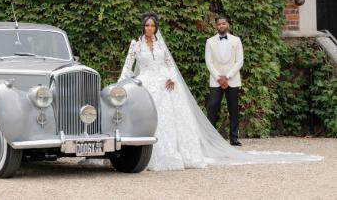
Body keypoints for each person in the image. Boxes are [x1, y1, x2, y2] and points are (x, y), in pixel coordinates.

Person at [118, 11, 323, 171]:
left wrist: (171, 77)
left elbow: (169, 64)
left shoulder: (161, 44)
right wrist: (121, 86)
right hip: (146, 82)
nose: (150, 28)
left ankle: (179, 154)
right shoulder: (136, 45)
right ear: (143, 27)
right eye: (147, 25)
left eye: (153, 25)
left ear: (156, 27)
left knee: (173, 119)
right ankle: (143, 156)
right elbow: (128, 67)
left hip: (166, 83)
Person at [205, 16, 243, 146]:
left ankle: (234, 138)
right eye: (219, 24)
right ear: (216, 26)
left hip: (232, 79)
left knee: (233, 109)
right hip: (216, 80)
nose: (221, 26)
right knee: (212, 107)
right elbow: (208, 62)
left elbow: (239, 61)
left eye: (223, 23)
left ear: (227, 25)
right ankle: (211, 138)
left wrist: (227, 77)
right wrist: (219, 78)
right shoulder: (209, 41)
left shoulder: (236, 40)